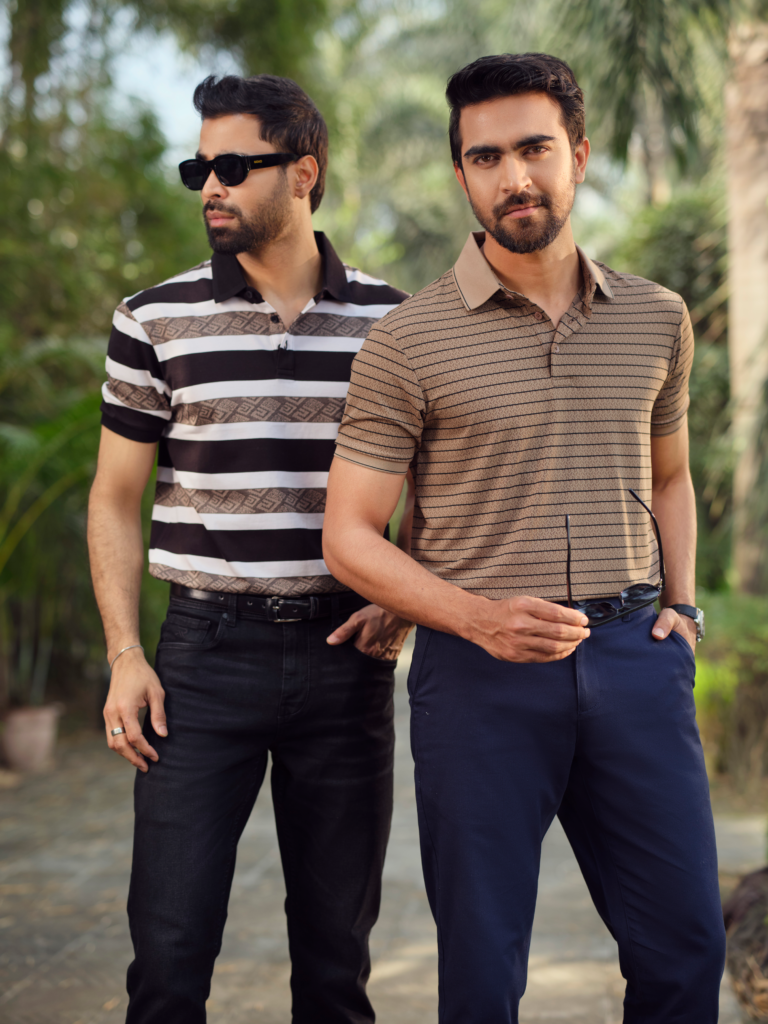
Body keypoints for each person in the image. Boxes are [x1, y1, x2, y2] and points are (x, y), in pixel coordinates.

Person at [323, 52, 724, 1024]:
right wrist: (474, 619)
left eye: (535, 148)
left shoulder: (656, 317)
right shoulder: (408, 340)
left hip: (636, 659)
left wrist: (681, 607)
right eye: (486, 157)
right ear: (462, 175)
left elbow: (670, 476)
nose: (515, 176)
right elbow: (349, 536)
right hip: (478, 682)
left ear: (578, 155)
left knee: (685, 948)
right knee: (482, 967)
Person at [87, 73, 412, 1024]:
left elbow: (438, 486)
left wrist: (403, 589)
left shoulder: (394, 323)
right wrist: (124, 654)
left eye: (233, 166)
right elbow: (113, 499)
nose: (211, 187)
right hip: (201, 659)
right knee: (169, 959)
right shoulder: (153, 318)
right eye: (201, 169)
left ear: (304, 173)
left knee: (337, 969)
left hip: (346, 657)